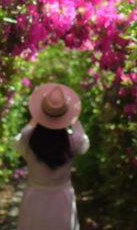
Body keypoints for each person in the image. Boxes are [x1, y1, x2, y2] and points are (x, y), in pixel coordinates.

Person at [13, 83, 90, 230]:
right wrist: (74, 119)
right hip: (63, 199)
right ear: (65, 115)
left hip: (35, 199)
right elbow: (83, 141)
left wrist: (35, 118)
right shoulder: (71, 141)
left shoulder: (28, 140)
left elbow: (19, 139)